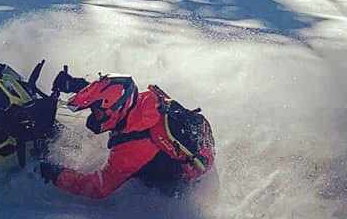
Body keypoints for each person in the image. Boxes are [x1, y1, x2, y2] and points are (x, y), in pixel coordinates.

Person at [37, 67, 215, 199]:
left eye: (98, 113)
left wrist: (56, 174)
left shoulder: (134, 146)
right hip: (176, 154)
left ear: (116, 109)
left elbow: (99, 188)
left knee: (131, 176)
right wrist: (76, 85)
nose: (95, 117)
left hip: (178, 189)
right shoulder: (142, 102)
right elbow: (109, 90)